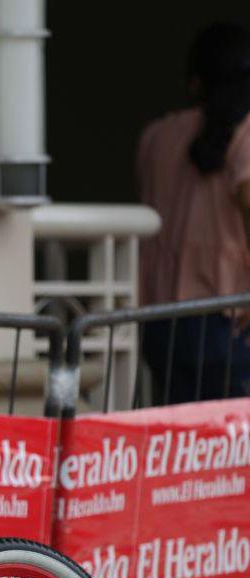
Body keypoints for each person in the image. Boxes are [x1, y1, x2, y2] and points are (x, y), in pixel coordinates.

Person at [138, 21, 250, 404]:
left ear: (195, 83)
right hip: (228, 317)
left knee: (179, 446)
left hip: (161, 319)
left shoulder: (157, 137)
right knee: (233, 452)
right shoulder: (246, 136)